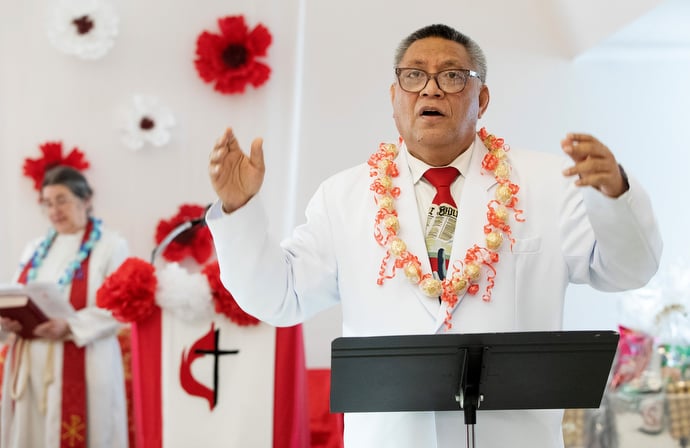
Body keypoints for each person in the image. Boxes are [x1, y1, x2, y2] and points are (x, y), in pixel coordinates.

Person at [205, 23, 663, 448]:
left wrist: (615, 195)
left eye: (452, 76)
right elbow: (279, 298)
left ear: (481, 99)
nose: (430, 87)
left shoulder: (547, 183)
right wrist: (239, 209)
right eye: (414, 75)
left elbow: (627, 269)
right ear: (394, 96)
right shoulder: (345, 195)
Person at [0, 165, 129, 448]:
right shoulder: (35, 248)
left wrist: (69, 325)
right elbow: (15, 294)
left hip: (85, 361)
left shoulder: (110, 246)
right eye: (47, 203)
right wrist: (8, 321)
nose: (54, 210)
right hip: (31, 364)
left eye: (61, 200)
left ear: (86, 200)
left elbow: (119, 307)